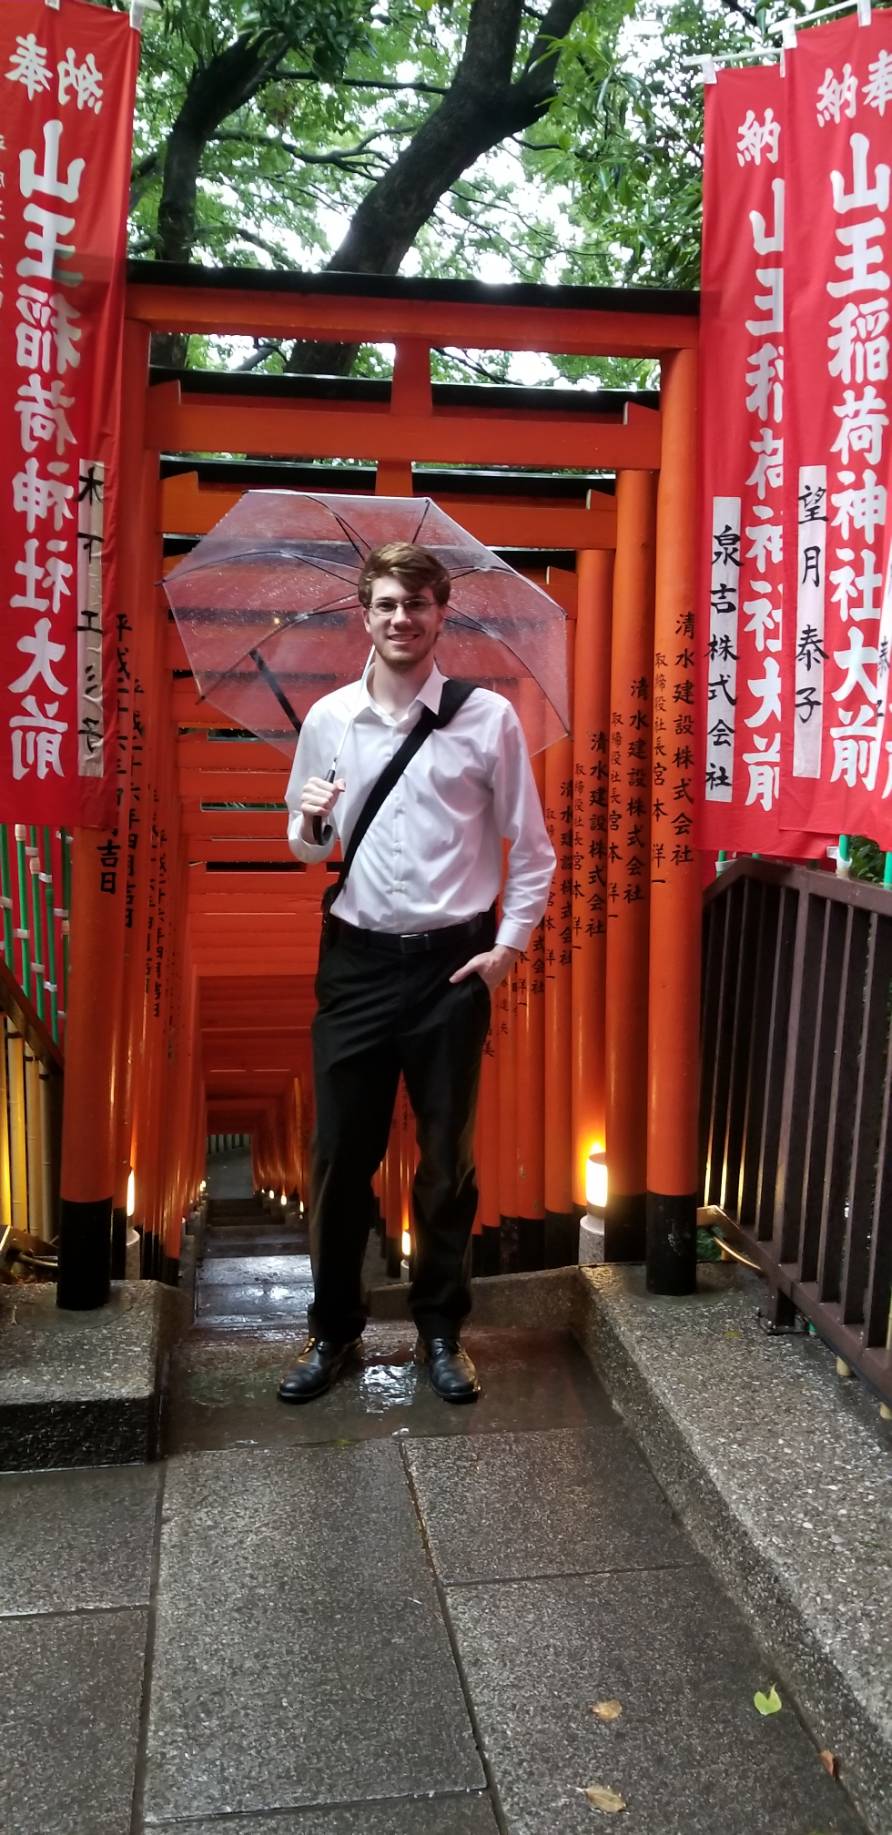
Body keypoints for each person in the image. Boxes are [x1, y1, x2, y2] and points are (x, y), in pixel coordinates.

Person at [278, 540, 555, 1405]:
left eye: (418, 604)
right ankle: (332, 1329)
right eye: (388, 605)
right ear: (365, 614)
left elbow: (533, 849)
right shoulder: (328, 720)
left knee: (446, 1160)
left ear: (441, 614)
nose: (402, 619)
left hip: (450, 965)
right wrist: (310, 820)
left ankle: (441, 1330)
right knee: (337, 1158)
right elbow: (305, 848)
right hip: (356, 961)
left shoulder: (488, 719)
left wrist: (507, 948)